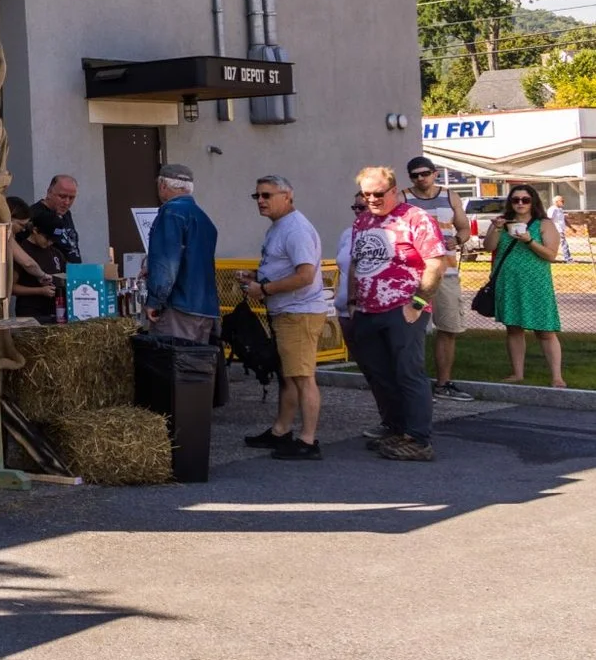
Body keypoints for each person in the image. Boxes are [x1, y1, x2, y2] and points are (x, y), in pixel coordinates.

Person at [336, 165, 446, 461]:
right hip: (368, 309)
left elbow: (436, 264)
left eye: (378, 194)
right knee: (379, 372)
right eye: (366, 194)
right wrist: (353, 301)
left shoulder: (415, 218)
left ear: (394, 190)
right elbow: (357, 263)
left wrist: (418, 304)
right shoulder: (363, 222)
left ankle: (419, 438)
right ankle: (397, 428)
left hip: (403, 308)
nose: (372, 199)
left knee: (408, 372)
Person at [241, 175, 330, 458]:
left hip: (299, 312)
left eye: (267, 195)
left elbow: (305, 275)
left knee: (303, 377)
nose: (261, 202)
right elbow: (285, 268)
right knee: (288, 376)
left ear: (287, 196)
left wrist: (264, 288)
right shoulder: (280, 227)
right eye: (257, 196)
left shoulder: (296, 230)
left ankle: (307, 441)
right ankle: (281, 430)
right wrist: (257, 277)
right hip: (286, 311)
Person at [403, 156, 467, 401]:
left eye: (424, 173)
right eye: (415, 175)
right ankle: (413, 386)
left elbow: (463, 228)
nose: (420, 178)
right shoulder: (404, 199)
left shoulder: (450, 196)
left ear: (435, 173)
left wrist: (458, 239)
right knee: (410, 329)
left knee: (448, 327)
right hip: (414, 275)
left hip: (446, 272)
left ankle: (443, 383)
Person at [490, 184, 566, 388]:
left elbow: (551, 255)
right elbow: (489, 246)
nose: (520, 203)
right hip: (509, 281)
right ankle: (517, 373)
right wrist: (496, 228)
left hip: (536, 283)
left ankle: (557, 377)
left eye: (525, 200)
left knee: (545, 330)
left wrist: (529, 240)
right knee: (513, 328)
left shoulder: (544, 224)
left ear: (533, 202)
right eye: (516, 200)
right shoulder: (503, 222)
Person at [142, 164, 219, 342]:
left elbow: (166, 265)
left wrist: (154, 301)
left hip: (179, 308)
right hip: (205, 308)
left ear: (163, 185)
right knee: (197, 366)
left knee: (172, 365)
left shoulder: (170, 213)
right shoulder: (203, 217)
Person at [28, 174, 82, 268]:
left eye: (71, 198)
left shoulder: (66, 213)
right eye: (62, 196)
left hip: (74, 274)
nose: (67, 202)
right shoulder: (35, 214)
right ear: (49, 192)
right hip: (52, 276)